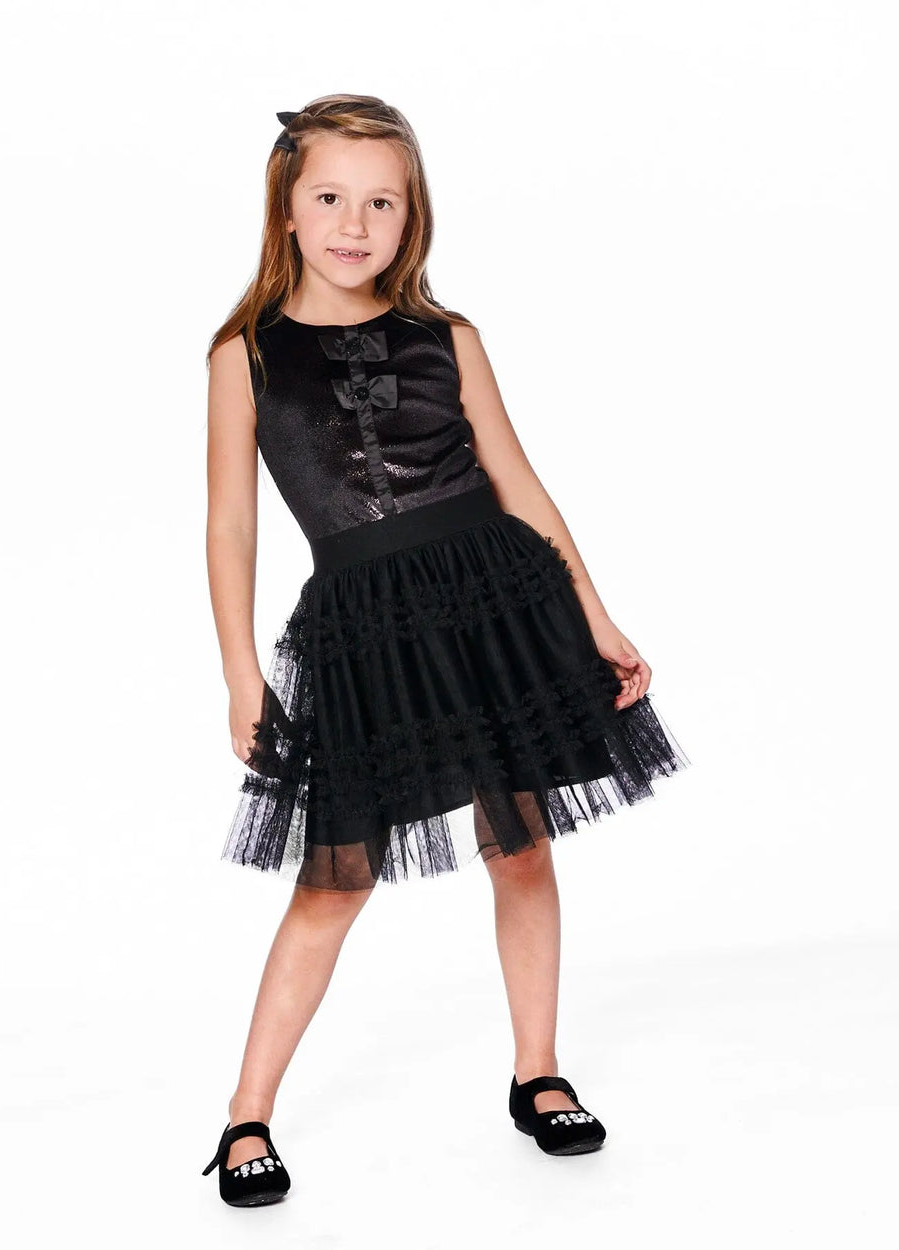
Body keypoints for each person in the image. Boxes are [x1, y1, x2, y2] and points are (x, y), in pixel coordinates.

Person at [200, 94, 690, 1207]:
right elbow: (230, 525)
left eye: (382, 202)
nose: (355, 223)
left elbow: (518, 481)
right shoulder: (245, 355)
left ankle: (537, 1071)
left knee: (520, 843)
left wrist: (596, 615)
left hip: (494, 602)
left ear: (411, 215)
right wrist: (241, 675)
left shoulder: (447, 336)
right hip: (367, 629)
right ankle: (245, 1113)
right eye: (331, 197)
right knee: (337, 877)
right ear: (286, 208)